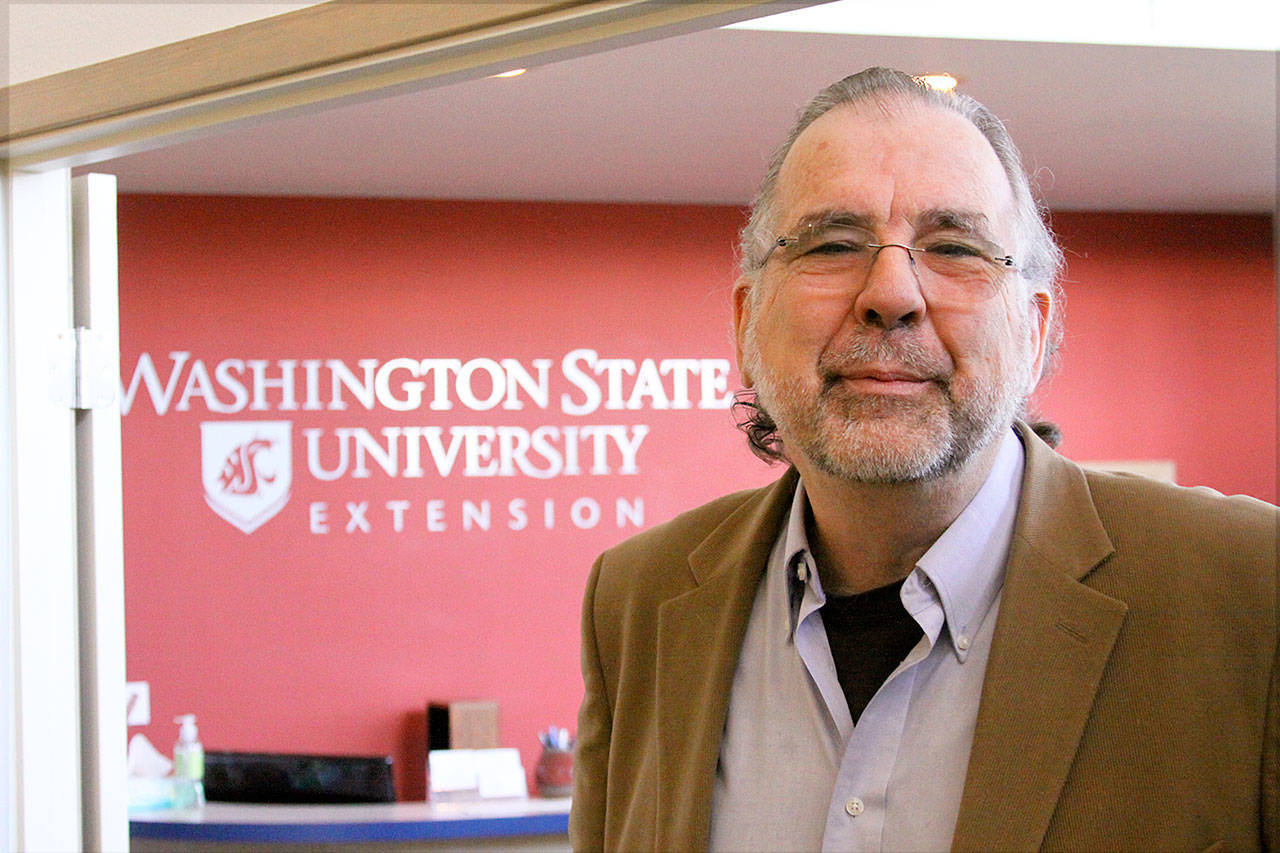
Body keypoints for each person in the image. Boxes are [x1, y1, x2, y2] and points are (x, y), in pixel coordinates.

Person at [569, 67, 1278, 852]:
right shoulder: (636, 603)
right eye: (834, 244)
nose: (892, 292)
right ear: (746, 324)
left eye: (954, 246)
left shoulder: (1252, 594)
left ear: (1033, 332)